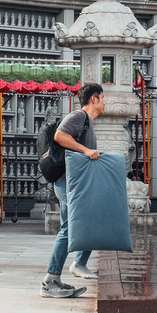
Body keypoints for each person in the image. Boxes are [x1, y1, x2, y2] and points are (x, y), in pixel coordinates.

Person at [41, 84, 108, 298]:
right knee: (72, 228)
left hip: (74, 184)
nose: (105, 103)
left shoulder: (87, 123)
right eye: (103, 98)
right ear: (94, 99)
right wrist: (86, 150)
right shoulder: (79, 116)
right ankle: (55, 277)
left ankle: (73, 266)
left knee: (81, 224)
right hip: (66, 183)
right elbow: (60, 135)